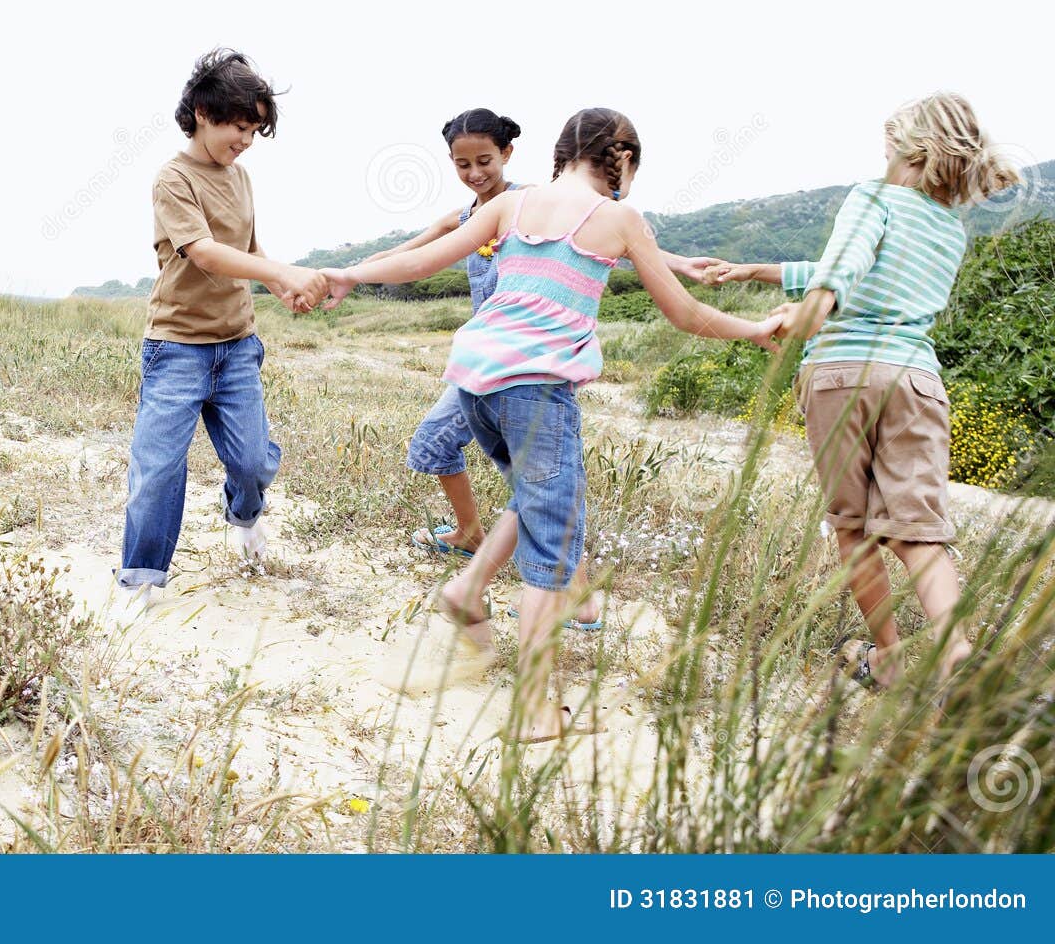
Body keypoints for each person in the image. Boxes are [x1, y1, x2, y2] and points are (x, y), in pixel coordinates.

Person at [322, 107, 783, 738]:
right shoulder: (619, 218)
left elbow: (424, 260)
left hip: (474, 382)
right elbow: (683, 314)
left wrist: (348, 273)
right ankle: (537, 709)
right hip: (536, 389)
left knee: (537, 500)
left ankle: (468, 589)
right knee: (553, 544)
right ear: (621, 159)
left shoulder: (514, 205)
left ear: (561, 154)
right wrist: (755, 329)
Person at [706, 91, 1019, 690]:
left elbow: (841, 271)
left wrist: (805, 314)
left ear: (910, 149)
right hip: (916, 381)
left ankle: (890, 658)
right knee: (919, 531)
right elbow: (854, 265)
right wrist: (753, 270)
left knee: (853, 528)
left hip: (844, 371)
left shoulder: (872, 197)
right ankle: (957, 657)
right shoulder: (948, 230)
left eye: (888, 142)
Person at [368, 107, 720, 635]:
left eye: (483, 160)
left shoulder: (533, 204)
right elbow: (415, 253)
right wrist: (346, 272)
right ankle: (536, 578)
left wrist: (681, 263)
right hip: (489, 362)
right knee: (535, 480)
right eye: (461, 164)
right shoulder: (470, 217)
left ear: (508, 154)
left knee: (535, 480)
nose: (473, 173)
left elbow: (614, 238)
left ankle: (538, 584)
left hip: (524, 365)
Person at [114, 49, 329, 621]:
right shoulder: (173, 178)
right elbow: (206, 253)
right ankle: (140, 583)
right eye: (240, 126)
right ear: (204, 112)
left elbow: (247, 252)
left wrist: (281, 287)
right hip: (178, 346)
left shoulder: (242, 177)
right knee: (157, 467)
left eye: (255, 129)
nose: (247, 139)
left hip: (236, 346)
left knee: (254, 463)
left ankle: (244, 516)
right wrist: (283, 274)